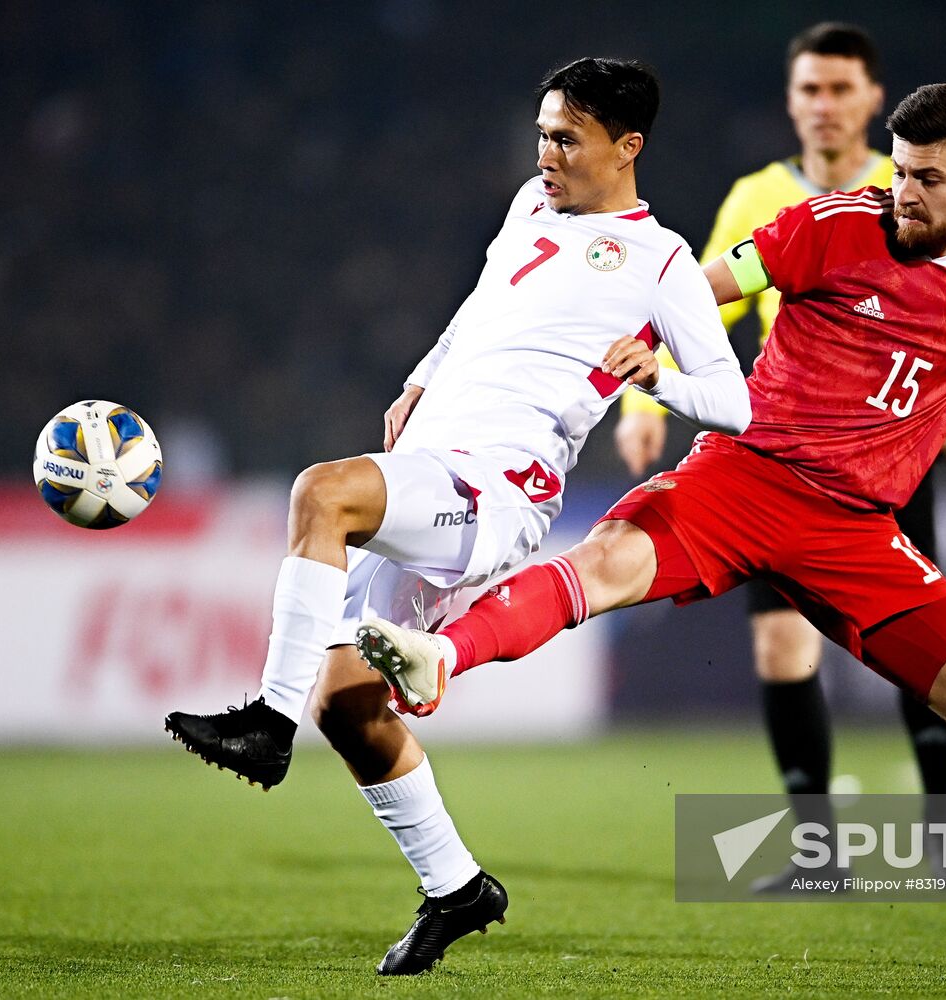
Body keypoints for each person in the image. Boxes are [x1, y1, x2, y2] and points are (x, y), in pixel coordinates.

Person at [363, 81, 946, 974]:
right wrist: (641, 347)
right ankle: (440, 657)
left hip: (853, 528)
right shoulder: (835, 222)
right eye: (899, 167)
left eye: (926, 178)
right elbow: (709, 281)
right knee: (602, 562)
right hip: (744, 477)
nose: (902, 192)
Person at [163, 57, 750, 976]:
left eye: (568, 138)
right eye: (542, 133)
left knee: (322, 492)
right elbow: (479, 308)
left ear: (626, 147)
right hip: (431, 459)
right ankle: (457, 888)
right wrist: (421, 377)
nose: (547, 153)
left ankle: (261, 729)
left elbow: (735, 401)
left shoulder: (661, 262)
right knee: (348, 703)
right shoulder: (528, 205)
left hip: (499, 492)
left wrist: (660, 381)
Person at [612, 22, 946, 890]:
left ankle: (943, 836)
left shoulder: (911, 185)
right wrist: (645, 402)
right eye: (808, 91)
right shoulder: (758, 195)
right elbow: (695, 305)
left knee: (918, 644)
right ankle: (818, 851)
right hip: (778, 460)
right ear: (791, 102)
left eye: (839, 90)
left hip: (891, 458)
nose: (823, 106)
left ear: (871, 99)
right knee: (779, 652)